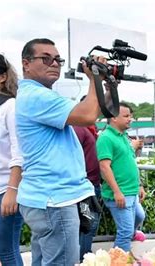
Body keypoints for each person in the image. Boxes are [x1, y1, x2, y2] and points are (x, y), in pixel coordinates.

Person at [15, 38, 108, 265]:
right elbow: (87, 115)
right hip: (54, 200)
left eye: (58, 59)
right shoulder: (37, 96)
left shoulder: (35, 95)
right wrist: (94, 77)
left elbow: (89, 111)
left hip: (46, 198)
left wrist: (101, 81)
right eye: (46, 58)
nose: (54, 63)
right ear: (26, 64)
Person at [97, 102, 146, 251]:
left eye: (130, 116)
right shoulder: (106, 138)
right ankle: (119, 260)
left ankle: (127, 246)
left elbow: (130, 162)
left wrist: (139, 185)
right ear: (113, 118)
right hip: (120, 193)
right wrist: (117, 192)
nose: (130, 119)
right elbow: (104, 167)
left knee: (139, 216)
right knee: (125, 232)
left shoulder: (124, 136)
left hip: (131, 191)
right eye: (126, 116)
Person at [0, 54, 24, 265]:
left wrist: (12, 191)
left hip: (5, 189)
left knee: (6, 249)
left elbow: (19, 152)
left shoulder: (11, 106)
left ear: (1, 77)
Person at [73, 96, 102, 261]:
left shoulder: (91, 129)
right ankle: (82, 260)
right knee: (87, 226)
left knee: (88, 226)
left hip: (91, 186)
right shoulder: (79, 128)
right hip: (84, 187)